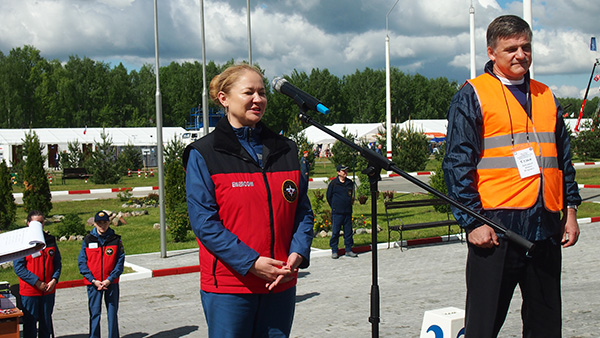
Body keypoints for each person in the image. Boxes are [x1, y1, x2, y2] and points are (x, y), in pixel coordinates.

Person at [442, 15, 581, 337]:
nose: (521, 55)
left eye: (526, 47)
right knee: (484, 325)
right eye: (511, 49)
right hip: (495, 230)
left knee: (546, 324)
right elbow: (456, 164)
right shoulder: (472, 95)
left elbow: (564, 161)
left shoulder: (546, 95)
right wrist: (472, 222)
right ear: (492, 52)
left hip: (545, 225)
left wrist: (570, 211)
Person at [182, 64, 314, 338]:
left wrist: (297, 254)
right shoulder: (204, 153)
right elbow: (205, 223)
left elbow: (302, 212)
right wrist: (251, 262)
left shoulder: (286, 149)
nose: (258, 99)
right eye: (249, 92)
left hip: (281, 282)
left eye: (263, 93)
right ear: (224, 98)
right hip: (230, 288)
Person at [13, 210, 62, 338]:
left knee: (46, 324)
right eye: (35, 223)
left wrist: (54, 279)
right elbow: (19, 268)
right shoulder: (23, 241)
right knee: (30, 325)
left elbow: (57, 263)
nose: (38, 225)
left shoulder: (50, 240)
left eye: (41, 222)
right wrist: (36, 282)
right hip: (30, 291)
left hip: (48, 290)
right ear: (28, 223)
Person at [78, 211, 125, 338]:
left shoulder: (115, 239)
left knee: (112, 313)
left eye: (104, 222)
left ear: (109, 222)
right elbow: (82, 262)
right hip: (94, 284)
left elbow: (120, 262)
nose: (102, 226)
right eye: (99, 223)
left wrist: (109, 279)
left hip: (111, 283)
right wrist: (93, 280)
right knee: (94, 313)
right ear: (94, 224)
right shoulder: (88, 240)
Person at [326, 164, 358, 259]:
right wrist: (334, 206)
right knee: (335, 232)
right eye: (343, 171)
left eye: (346, 171)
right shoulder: (333, 183)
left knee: (348, 232)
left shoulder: (349, 183)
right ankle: (334, 250)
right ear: (338, 172)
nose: (345, 172)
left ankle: (348, 249)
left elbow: (351, 195)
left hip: (347, 211)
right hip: (337, 212)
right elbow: (329, 196)